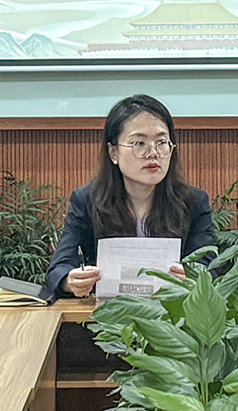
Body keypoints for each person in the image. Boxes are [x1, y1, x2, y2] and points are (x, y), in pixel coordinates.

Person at [45, 94, 219, 302]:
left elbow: (209, 267)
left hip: (173, 323)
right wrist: (70, 280)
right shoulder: (87, 201)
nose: (153, 153)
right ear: (114, 153)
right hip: (103, 320)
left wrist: (192, 277)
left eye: (162, 142)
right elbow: (59, 268)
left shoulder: (193, 202)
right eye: (139, 143)